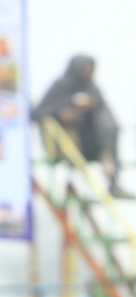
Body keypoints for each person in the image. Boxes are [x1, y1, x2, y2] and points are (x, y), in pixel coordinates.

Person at [34, 55, 128, 196]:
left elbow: (105, 110)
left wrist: (92, 106)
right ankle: (71, 182)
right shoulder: (60, 86)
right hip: (64, 142)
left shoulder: (91, 88)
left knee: (105, 119)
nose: (89, 74)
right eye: (87, 70)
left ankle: (108, 163)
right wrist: (60, 114)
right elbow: (38, 112)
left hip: (90, 141)